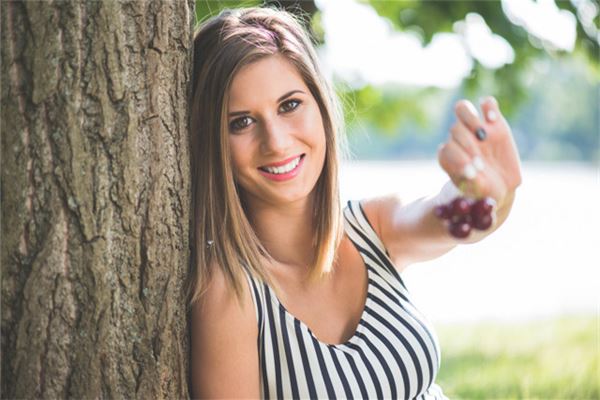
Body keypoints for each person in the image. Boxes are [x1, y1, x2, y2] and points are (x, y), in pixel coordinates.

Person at [188, 6, 522, 400]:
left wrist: (485, 194)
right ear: (211, 141)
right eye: (241, 122)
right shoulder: (229, 293)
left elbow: (449, 218)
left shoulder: (373, 226)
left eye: (289, 105)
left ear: (320, 106)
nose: (276, 142)